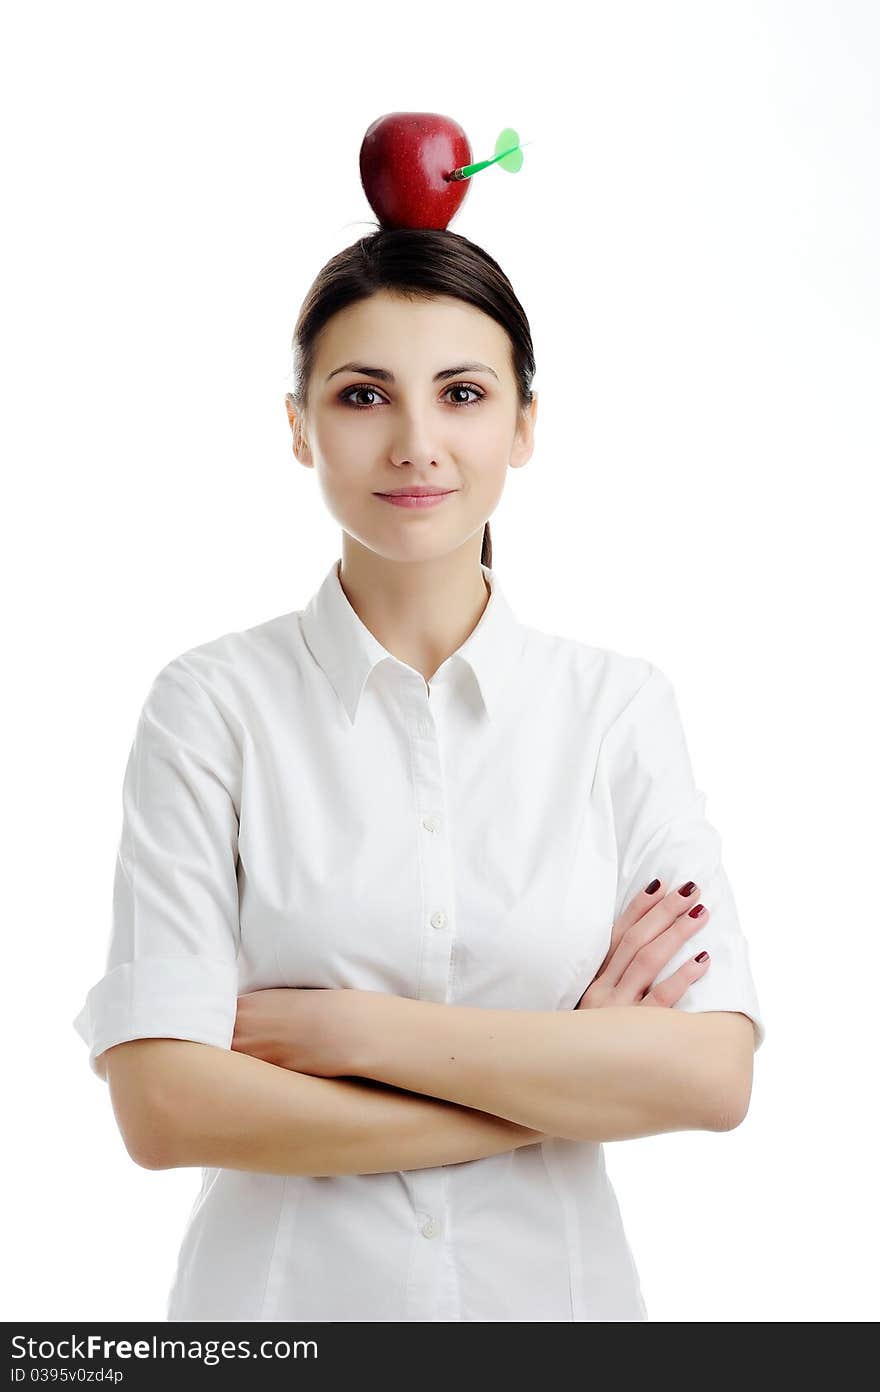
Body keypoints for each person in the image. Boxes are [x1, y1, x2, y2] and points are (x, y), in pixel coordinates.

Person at [73, 227, 765, 1322]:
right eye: (361, 397)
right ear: (297, 428)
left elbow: (711, 1078)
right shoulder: (211, 706)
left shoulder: (615, 709)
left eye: (460, 393)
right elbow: (163, 1108)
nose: (415, 443)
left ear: (524, 424)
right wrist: (566, 1081)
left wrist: (354, 1036)